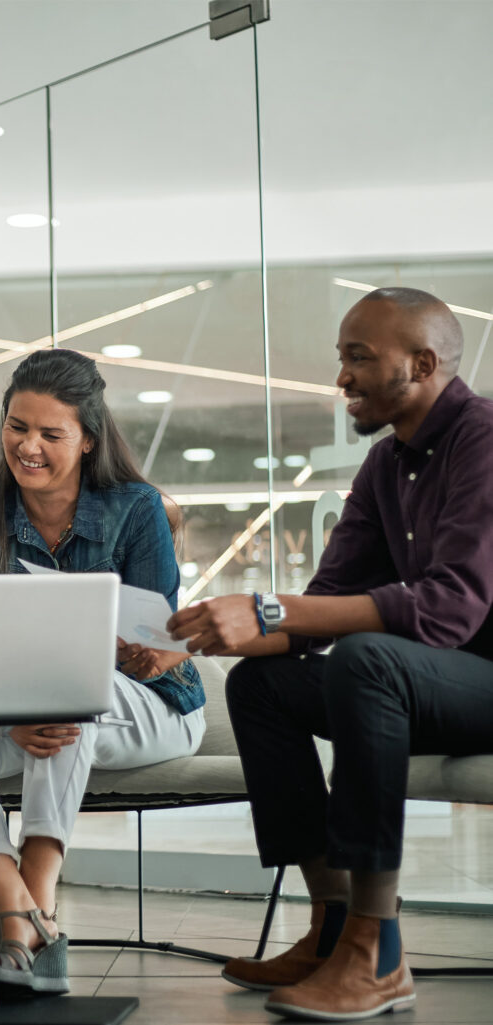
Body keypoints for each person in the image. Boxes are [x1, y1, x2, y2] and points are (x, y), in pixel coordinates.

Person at [169, 287, 493, 1022]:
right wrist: (204, 637)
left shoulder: (483, 438)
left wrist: (270, 609)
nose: (340, 377)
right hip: (423, 684)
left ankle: (377, 956)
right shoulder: (386, 465)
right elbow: (326, 605)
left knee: (366, 658)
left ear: (421, 362)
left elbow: (446, 608)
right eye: (341, 358)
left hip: (477, 683)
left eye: (357, 357)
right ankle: (332, 926)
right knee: (261, 684)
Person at [0, 347, 206, 993]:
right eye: (17, 427)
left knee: (65, 689)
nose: (28, 446)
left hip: (148, 705)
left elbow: (161, 636)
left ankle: (31, 898)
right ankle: (13, 909)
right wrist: (8, 712)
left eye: (50, 433)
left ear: (88, 438)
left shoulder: (135, 507)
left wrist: (144, 649)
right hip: (23, 710)